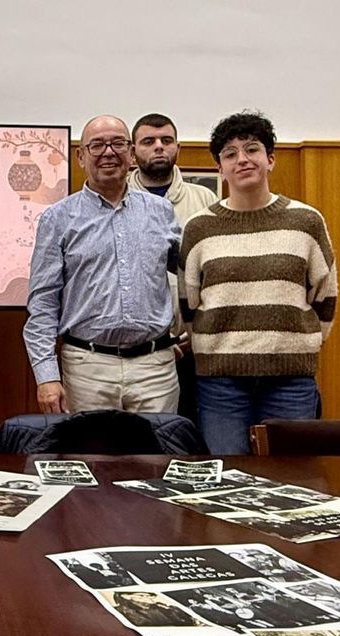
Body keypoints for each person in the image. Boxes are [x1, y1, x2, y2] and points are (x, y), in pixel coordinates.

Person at [179, 111, 338, 454]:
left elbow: (326, 296)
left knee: (295, 481)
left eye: (252, 149)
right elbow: (188, 303)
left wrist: (296, 346)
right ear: (220, 168)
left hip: (290, 379)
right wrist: (216, 349)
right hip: (219, 382)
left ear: (271, 159)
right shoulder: (198, 228)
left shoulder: (306, 221)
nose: (242, 160)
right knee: (227, 480)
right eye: (230, 154)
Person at [24, 115, 181, 415]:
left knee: (158, 459)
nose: (108, 152)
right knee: (89, 460)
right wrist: (46, 377)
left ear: (132, 154)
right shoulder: (58, 219)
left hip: (155, 370)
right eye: (97, 145)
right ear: (81, 156)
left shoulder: (161, 212)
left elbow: (190, 275)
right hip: (87, 368)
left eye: (118, 143)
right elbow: (42, 305)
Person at [127, 113, 220, 423]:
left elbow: (213, 274)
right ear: (132, 150)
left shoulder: (204, 199)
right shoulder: (118, 198)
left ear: (178, 147)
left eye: (166, 141)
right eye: (148, 141)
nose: (158, 147)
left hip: (192, 347)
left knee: (187, 439)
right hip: (140, 351)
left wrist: (194, 335)